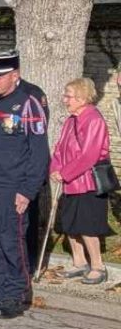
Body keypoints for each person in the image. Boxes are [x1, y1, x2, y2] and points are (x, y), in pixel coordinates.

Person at [0, 49, 50, 320]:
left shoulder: (29, 101)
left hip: (12, 186)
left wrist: (27, 190)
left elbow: (39, 153)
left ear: (15, 75)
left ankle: (16, 296)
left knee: (11, 243)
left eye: (0, 76)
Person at [50, 77, 112, 286]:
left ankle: (98, 266)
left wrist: (65, 173)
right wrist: (55, 168)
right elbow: (59, 148)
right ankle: (79, 262)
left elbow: (89, 155)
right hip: (71, 183)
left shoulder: (93, 119)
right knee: (70, 225)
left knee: (87, 226)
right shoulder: (71, 120)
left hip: (88, 183)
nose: (65, 100)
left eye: (69, 96)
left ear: (82, 98)